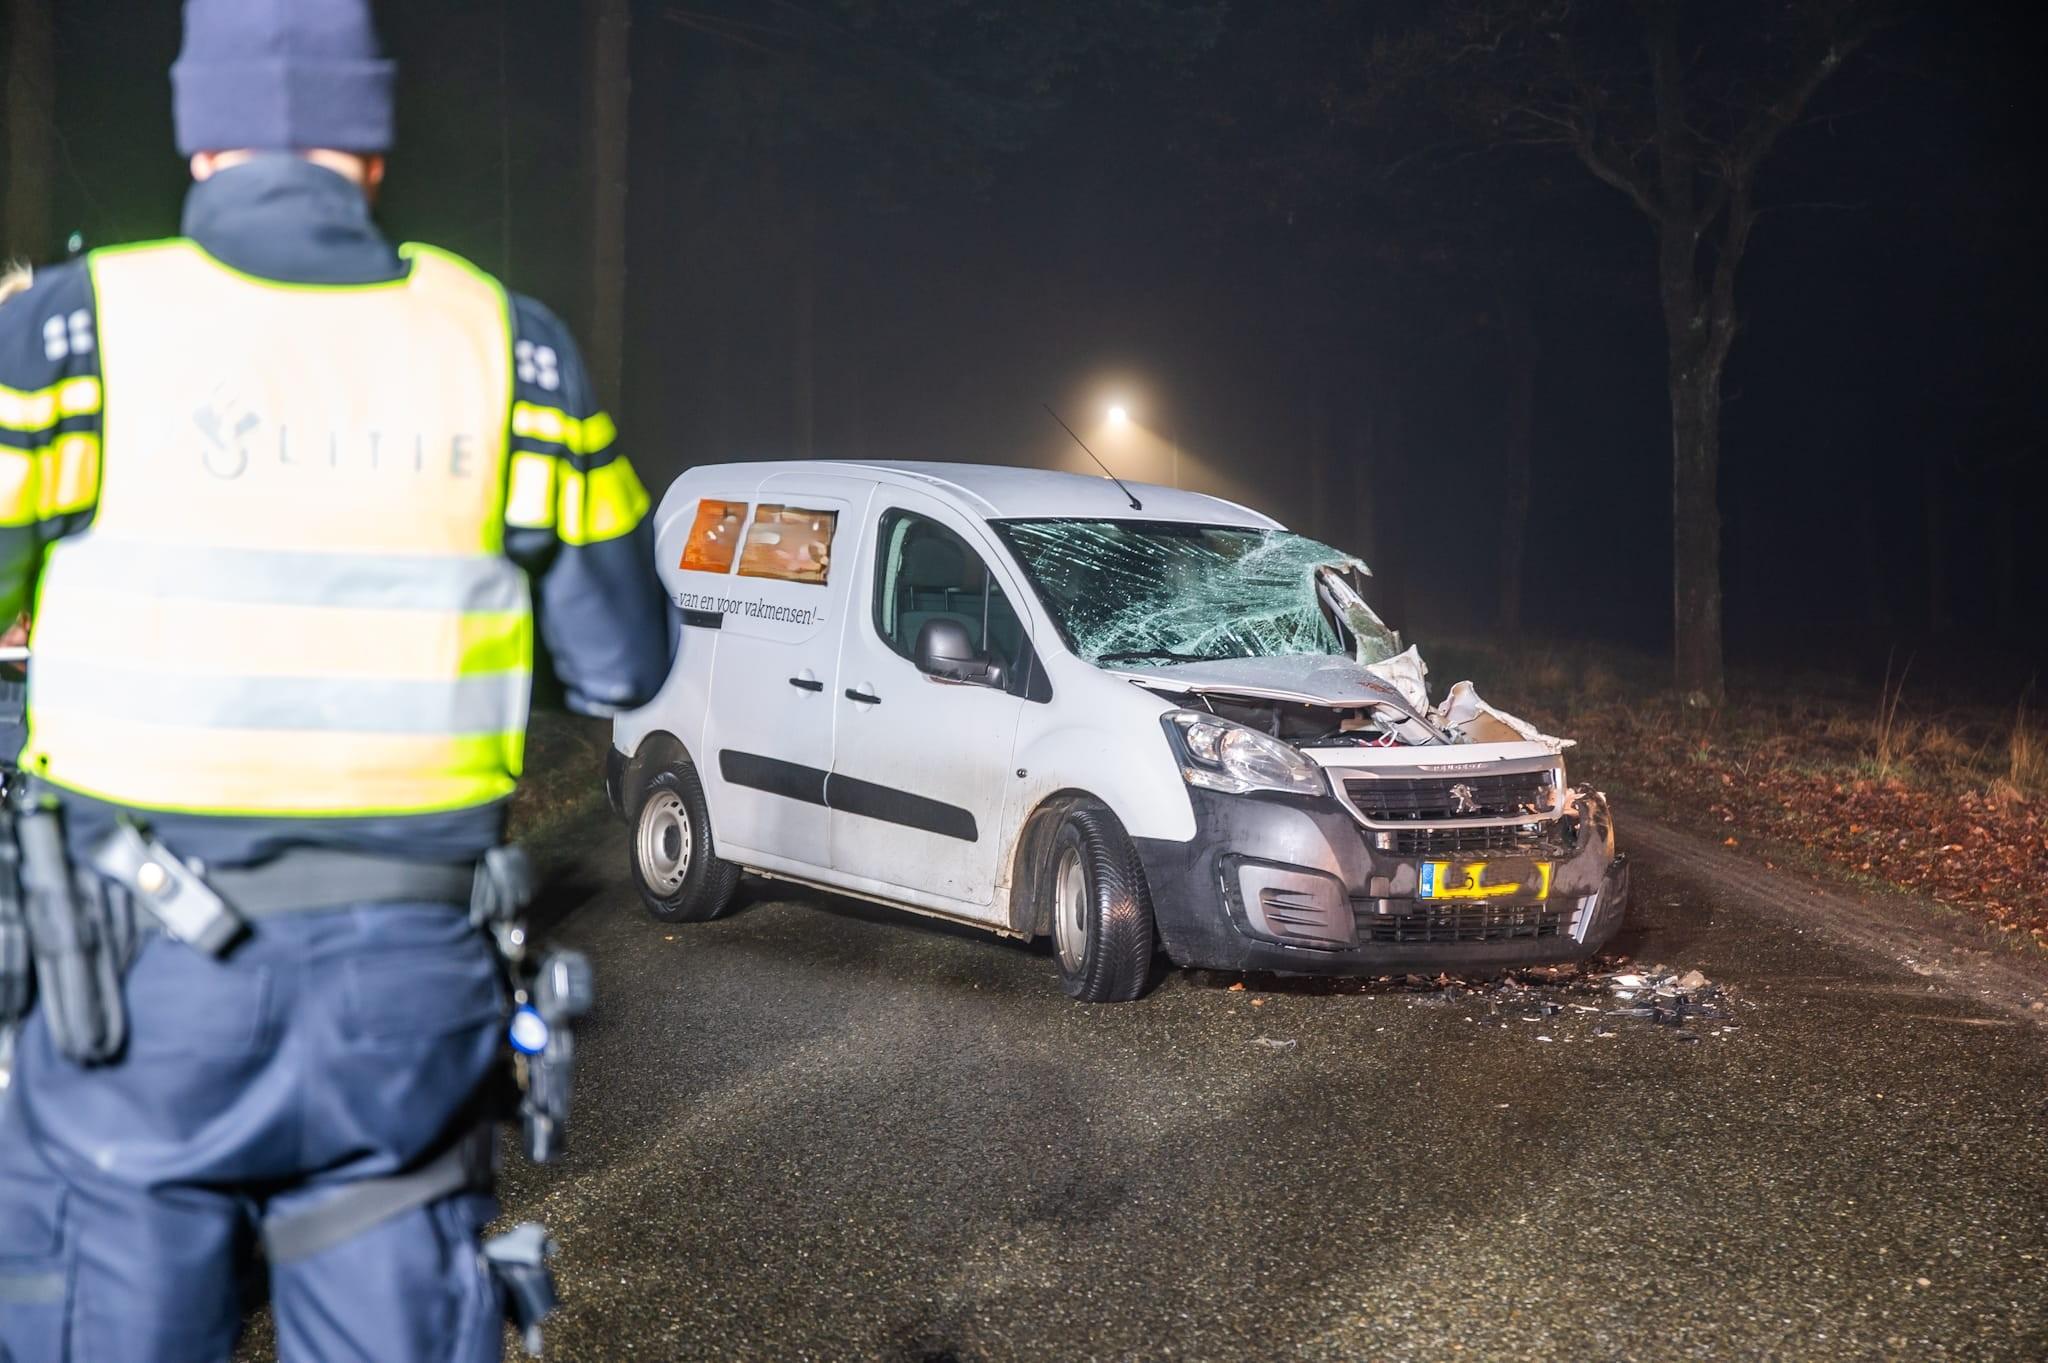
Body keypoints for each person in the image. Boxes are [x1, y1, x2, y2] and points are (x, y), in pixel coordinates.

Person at [0, 1, 668, 1359]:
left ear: (200, 138)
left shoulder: (77, 336)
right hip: (404, 1003)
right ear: (370, 144)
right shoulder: (516, 354)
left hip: (130, 997)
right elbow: (623, 658)